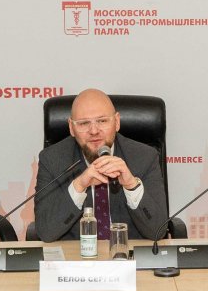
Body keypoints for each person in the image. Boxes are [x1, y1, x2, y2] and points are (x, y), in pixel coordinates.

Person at [32, 89, 170, 241]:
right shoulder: (52, 159)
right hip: (75, 254)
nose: (94, 131)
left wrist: (131, 185)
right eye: (84, 123)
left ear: (117, 122)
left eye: (102, 121)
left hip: (127, 253)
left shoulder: (144, 157)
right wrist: (78, 186)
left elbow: (157, 231)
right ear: (71, 127)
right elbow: (46, 232)